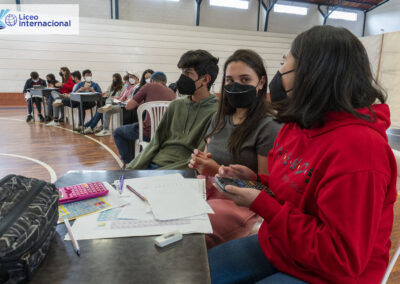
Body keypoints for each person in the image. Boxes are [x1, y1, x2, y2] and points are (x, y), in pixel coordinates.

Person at [208, 25, 397, 284]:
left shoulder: (360, 150)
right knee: (203, 270)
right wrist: (258, 180)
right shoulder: (299, 124)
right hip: (283, 247)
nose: (280, 71)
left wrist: (262, 203)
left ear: (311, 74)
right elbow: (301, 189)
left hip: (329, 274)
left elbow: (340, 258)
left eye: (285, 62)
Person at [189, 49, 282, 248]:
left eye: (245, 79)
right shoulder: (220, 117)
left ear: (261, 82)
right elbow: (208, 155)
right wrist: (200, 161)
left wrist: (215, 170)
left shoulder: (269, 126)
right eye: (230, 80)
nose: (236, 86)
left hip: (238, 201)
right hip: (205, 188)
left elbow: (266, 189)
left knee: (186, 230)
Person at [126, 49, 219, 170]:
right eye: (182, 72)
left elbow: (199, 159)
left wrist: (158, 175)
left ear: (205, 79)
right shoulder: (175, 105)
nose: (182, 78)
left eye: (188, 73)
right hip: (154, 164)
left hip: (180, 171)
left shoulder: (217, 112)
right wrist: (131, 169)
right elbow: (155, 143)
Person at [113, 71, 176, 165]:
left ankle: (129, 163)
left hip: (147, 133)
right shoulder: (172, 93)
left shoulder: (148, 86)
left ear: (152, 80)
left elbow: (128, 106)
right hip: (165, 134)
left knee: (118, 132)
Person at [95, 72, 140, 136]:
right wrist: (114, 98)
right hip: (121, 103)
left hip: (125, 106)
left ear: (136, 78)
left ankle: (105, 129)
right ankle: (105, 129)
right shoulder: (128, 87)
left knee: (107, 109)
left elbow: (131, 99)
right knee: (108, 101)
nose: (129, 80)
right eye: (129, 78)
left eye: (131, 77)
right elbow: (121, 97)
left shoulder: (137, 87)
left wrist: (120, 100)